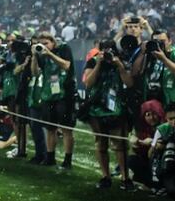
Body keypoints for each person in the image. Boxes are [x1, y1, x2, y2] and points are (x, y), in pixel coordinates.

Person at [83, 39, 135, 189]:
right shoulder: (93, 61)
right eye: (104, 50)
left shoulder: (122, 61)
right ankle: (105, 176)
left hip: (117, 107)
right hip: (96, 108)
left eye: (110, 50)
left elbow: (129, 83)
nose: (107, 53)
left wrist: (119, 66)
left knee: (120, 144)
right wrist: (99, 64)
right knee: (101, 143)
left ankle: (125, 177)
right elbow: (88, 82)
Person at [30, 31, 76, 169]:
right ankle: (50, 158)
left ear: (53, 42)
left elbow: (67, 65)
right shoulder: (40, 55)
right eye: (41, 44)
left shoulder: (64, 49)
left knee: (66, 129)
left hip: (65, 94)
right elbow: (35, 72)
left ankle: (67, 160)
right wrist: (34, 57)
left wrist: (49, 54)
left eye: (46, 43)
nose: (43, 46)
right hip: (48, 94)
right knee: (50, 128)